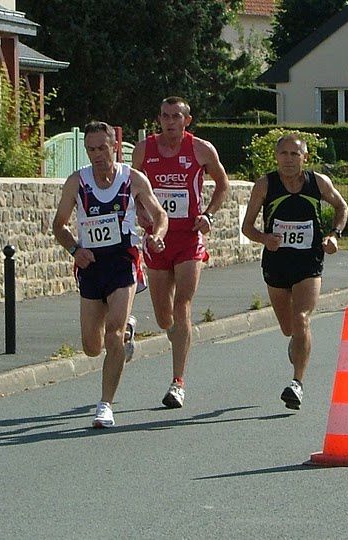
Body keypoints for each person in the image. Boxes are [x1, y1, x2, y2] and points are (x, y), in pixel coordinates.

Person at [53, 121, 168, 428]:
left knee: (112, 333)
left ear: (115, 146)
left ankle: (105, 405)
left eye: (102, 148)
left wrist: (156, 236)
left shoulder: (133, 179)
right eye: (91, 149)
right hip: (90, 264)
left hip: (123, 259)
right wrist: (76, 250)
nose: (97, 155)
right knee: (92, 347)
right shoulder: (77, 182)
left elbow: (159, 215)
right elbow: (58, 225)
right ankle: (127, 328)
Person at [132, 96, 229, 409]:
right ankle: (163, 333)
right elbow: (130, 187)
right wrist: (141, 212)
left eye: (176, 116)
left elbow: (222, 183)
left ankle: (178, 382)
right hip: (156, 238)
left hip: (188, 238)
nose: (170, 121)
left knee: (182, 305)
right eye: (164, 116)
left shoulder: (200, 149)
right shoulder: (144, 149)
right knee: (163, 317)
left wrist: (208, 215)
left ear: (187, 120)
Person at [241, 132, 348, 410]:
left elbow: (341, 206)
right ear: (276, 157)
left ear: (305, 158)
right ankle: (296, 344)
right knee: (288, 327)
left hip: (308, 261)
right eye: (283, 154)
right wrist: (265, 239)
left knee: (301, 318)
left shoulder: (318, 183)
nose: (288, 160)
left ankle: (296, 383)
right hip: (276, 263)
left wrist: (334, 235)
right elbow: (247, 227)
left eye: (294, 154)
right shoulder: (265, 185)